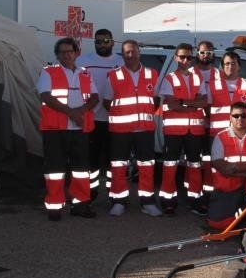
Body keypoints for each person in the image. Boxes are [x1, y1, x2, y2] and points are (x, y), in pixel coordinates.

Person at [37, 37, 99, 221]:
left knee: (81, 168)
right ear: (57, 55)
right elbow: (46, 97)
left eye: (70, 51)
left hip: (79, 128)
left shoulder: (85, 73)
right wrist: (71, 113)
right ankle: (54, 205)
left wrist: (80, 111)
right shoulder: (48, 72)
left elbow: (94, 97)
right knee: (55, 168)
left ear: (76, 53)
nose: (66, 55)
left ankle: (80, 204)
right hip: (55, 128)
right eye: (62, 52)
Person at [103, 40, 162, 217]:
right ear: (122, 55)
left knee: (146, 166)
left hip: (144, 129)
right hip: (121, 130)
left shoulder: (152, 74)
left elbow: (157, 99)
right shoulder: (113, 75)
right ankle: (119, 201)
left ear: (139, 53)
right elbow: (107, 102)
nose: (130, 55)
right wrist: (123, 114)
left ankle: (147, 202)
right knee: (119, 166)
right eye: (127, 53)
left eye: (133, 52)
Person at [157, 43, 209, 216]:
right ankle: (168, 200)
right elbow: (172, 104)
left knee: (195, 165)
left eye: (188, 57)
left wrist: (185, 103)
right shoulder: (169, 78)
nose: (185, 60)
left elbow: (204, 101)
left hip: (194, 131)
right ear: (175, 58)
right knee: (170, 166)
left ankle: (195, 200)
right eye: (182, 57)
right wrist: (192, 104)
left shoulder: (198, 77)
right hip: (174, 131)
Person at [201, 49, 246, 212]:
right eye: (226, 63)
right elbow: (207, 108)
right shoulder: (212, 85)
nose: (230, 66)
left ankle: (237, 200)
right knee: (214, 168)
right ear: (222, 66)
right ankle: (212, 199)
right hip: (217, 134)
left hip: (240, 135)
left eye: (233, 63)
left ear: (239, 66)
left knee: (238, 166)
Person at [76, 29, 124, 199]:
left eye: (106, 41)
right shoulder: (83, 61)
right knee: (92, 159)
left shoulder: (121, 61)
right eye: (98, 41)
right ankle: (91, 193)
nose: (102, 44)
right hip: (92, 118)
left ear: (112, 42)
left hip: (116, 119)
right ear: (94, 43)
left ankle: (114, 194)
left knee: (114, 159)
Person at [209, 101, 246, 230]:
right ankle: (235, 216)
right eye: (235, 116)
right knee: (218, 224)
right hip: (229, 183)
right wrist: (244, 171)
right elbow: (218, 163)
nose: (239, 118)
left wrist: (235, 168)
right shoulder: (220, 136)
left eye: (243, 115)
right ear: (230, 117)